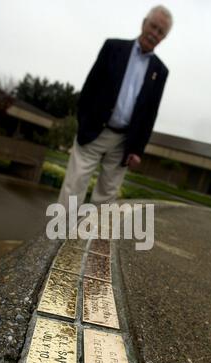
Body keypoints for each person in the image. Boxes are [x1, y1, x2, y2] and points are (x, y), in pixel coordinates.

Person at [58, 5, 173, 210]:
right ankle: (57, 237)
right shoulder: (113, 48)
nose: (154, 34)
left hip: (123, 142)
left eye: (160, 32)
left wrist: (138, 149)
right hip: (94, 130)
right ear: (143, 23)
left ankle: (89, 239)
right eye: (153, 26)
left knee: (106, 198)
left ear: (164, 38)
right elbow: (90, 87)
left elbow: (150, 113)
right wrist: (83, 121)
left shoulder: (160, 71)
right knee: (73, 186)